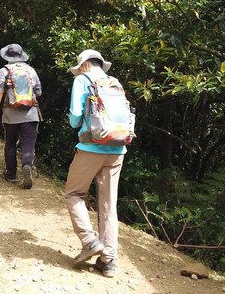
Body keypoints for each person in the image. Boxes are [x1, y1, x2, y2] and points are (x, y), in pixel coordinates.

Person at [65, 49, 126, 278]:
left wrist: (77, 120)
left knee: (74, 193)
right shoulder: (115, 82)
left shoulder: (82, 80)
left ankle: (89, 240)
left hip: (91, 147)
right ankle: (109, 261)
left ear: (83, 65)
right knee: (109, 205)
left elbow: (74, 118)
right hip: (117, 148)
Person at [0, 43, 42, 189]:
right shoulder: (31, 70)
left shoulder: (4, 70)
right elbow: (38, 92)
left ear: (7, 56)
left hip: (10, 114)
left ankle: (11, 174)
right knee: (28, 144)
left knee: (10, 143)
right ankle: (27, 165)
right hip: (31, 113)